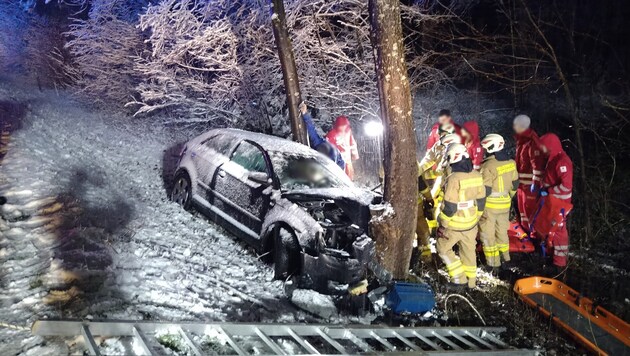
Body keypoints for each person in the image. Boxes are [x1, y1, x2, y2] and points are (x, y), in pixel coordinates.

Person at [436, 143, 486, 289]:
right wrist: (476, 217)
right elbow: (482, 201)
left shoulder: (453, 178)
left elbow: (450, 207)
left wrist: (442, 226)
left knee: (442, 248)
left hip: (454, 226)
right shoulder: (477, 174)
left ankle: (459, 280)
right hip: (471, 224)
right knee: (469, 252)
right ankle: (471, 283)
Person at [479, 134, 519, 271]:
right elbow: (515, 184)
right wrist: (508, 198)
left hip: (489, 207)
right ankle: (506, 259)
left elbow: (486, 190)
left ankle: (493, 264)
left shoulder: (487, 165)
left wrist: (478, 207)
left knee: (488, 235)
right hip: (505, 205)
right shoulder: (511, 163)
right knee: (502, 232)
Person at [538, 133, 573, 270]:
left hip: (560, 203)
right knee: (551, 228)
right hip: (552, 200)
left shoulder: (562, 162)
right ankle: (551, 254)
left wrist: (550, 191)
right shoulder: (553, 159)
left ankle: (559, 263)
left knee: (559, 231)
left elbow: (566, 186)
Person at [513, 115, 545, 232]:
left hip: (529, 187)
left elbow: (537, 166)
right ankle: (527, 237)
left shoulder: (532, 142)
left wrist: (535, 184)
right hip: (522, 185)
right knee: (523, 213)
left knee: (530, 213)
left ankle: (535, 238)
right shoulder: (522, 141)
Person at [299, 102, 345, 170]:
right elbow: (311, 129)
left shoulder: (335, 156)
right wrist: (305, 113)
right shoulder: (318, 143)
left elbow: (340, 169)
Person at [326, 115, 359, 180]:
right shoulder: (333, 134)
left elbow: (353, 143)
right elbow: (328, 147)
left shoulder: (347, 132)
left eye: (344, 126)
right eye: (341, 126)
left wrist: (354, 155)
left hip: (345, 161)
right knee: (342, 179)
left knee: (346, 178)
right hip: (340, 161)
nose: (343, 128)